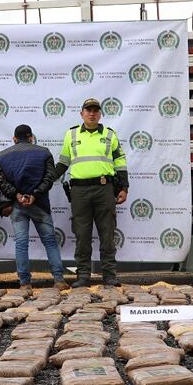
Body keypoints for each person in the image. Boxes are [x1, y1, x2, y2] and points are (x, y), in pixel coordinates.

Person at [54, 98, 128, 287]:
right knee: (82, 235)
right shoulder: (71, 135)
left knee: (107, 234)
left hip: (105, 190)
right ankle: (83, 276)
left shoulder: (110, 135)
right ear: (82, 113)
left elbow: (120, 163)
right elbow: (63, 162)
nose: (92, 113)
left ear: (100, 114)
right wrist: (47, 180)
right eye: (88, 110)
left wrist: (124, 187)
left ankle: (109, 276)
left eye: (96, 110)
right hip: (79, 191)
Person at [0, 124, 67, 294]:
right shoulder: (44, 152)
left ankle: (25, 283)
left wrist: (17, 195)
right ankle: (59, 280)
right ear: (31, 137)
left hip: (17, 205)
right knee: (50, 241)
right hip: (39, 204)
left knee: (21, 243)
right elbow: (50, 177)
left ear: (14, 139)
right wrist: (35, 195)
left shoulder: (2, 156)